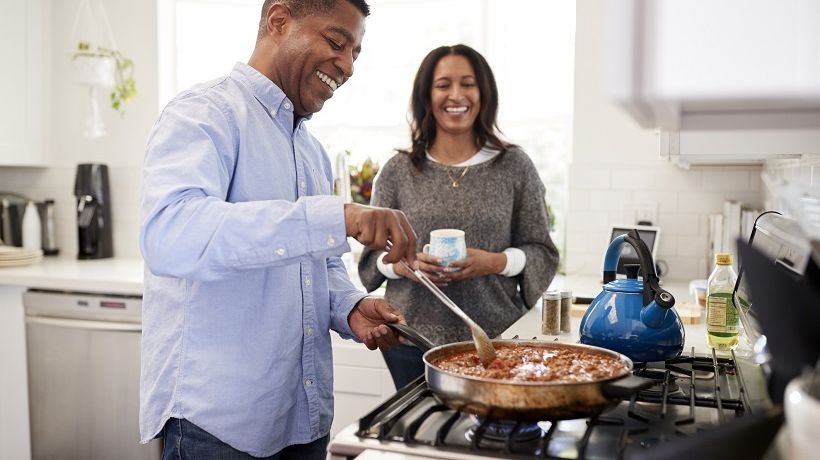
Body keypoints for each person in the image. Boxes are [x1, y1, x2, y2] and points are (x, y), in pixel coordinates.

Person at [138, 1, 418, 459]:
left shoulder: (312, 152)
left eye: (355, 54)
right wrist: (337, 217)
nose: (348, 66)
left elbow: (319, 266)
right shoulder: (203, 113)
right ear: (279, 21)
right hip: (219, 429)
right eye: (336, 42)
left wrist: (350, 306)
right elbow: (171, 235)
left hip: (303, 420)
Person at [358, 44, 559, 390]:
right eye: (443, 85)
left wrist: (494, 262)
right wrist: (406, 265)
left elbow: (542, 251)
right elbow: (371, 260)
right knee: (420, 424)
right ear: (426, 95)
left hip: (495, 339)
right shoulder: (397, 171)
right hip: (411, 340)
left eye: (467, 84)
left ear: (484, 93)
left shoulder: (515, 167)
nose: (456, 95)